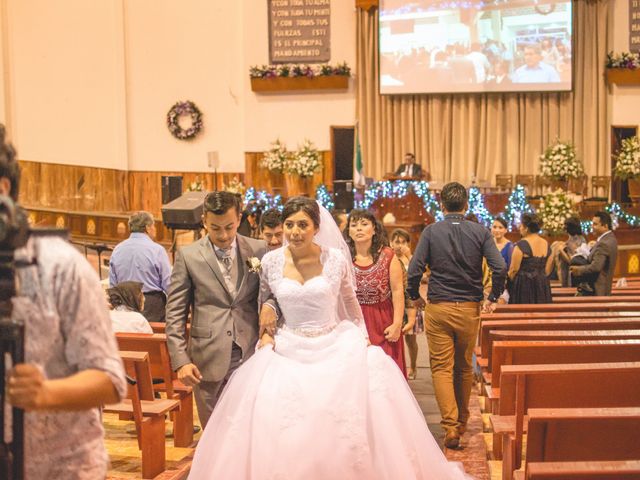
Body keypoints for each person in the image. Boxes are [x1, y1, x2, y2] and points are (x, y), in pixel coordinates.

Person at [188, 197, 470, 479]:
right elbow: (267, 300)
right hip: (289, 347)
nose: (295, 231)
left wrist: (363, 338)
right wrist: (266, 330)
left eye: (302, 224)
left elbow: (350, 302)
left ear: (316, 227)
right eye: (290, 225)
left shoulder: (334, 259)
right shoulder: (270, 261)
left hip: (334, 343)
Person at [1, 124, 126, 479]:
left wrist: (44, 393)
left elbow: (110, 380)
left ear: (3, 188)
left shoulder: (59, 265)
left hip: (58, 467)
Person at [407, 182, 506, 448]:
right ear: (466, 205)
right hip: (469, 308)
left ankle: (450, 426)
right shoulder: (480, 231)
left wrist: (414, 296)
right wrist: (493, 297)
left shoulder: (431, 231)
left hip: (439, 306)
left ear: (441, 205)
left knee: (441, 368)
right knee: (463, 366)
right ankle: (461, 421)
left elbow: (414, 269)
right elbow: (500, 267)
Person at [165, 191, 271, 428]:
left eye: (229, 227)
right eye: (215, 228)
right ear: (204, 221)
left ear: (239, 218)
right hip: (208, 357)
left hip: (250, 351)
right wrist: (181, 361)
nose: (223, 235)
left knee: (249, 428)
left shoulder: (259, 249)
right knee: (213, 431)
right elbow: (175, 313)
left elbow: (271, 293)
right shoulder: (188, 256)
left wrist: (269, 309)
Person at [347, 209, 406, 376]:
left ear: (374, 229)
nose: (359, 228)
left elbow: (397, 291)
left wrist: (397, 324)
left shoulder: (387, 255)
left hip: (383, 320)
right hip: (354, 321)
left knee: (387, 374)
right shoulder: (343, 258)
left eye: (364, 224)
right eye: (354, 225)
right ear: (349, 232)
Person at [109, 211, 172, 322]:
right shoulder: (157, 250)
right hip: (152, 307)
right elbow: (169, 285)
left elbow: (113, 286)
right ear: (147, 228)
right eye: (154, 226)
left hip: (124, 306)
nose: (155, 229)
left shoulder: (117, 249)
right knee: (153, 338)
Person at [390, 228, 424, 380]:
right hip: (395, 303)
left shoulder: (411, 258)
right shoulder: (388, 258)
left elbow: (421, 274)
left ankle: (414, 366)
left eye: (403, 242)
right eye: (397, 242)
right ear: (391, 243)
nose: (399, 246)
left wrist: (409, 255)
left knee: (411, 339)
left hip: (410, 301)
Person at [508, 213, 554, 304]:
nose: (519, 228)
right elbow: (548, 270)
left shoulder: (521, 245)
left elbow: (513, 269)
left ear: (526, 228)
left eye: (521, 225)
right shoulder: (546, 244)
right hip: (542, 285)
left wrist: (508, 282)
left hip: (524, 286)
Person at [570, 211, 618, 296]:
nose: (592, 227)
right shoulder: (610, 239)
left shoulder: (604, 243)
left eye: (595, 224)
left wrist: (578, 270)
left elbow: (596, 267)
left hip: (597, 290)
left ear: (605, 226)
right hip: (601, 289)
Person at [556, 216, 587, 287]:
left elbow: (572, 261)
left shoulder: (574, 241)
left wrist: (561, 251)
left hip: (572, 276)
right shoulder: (582, 238)